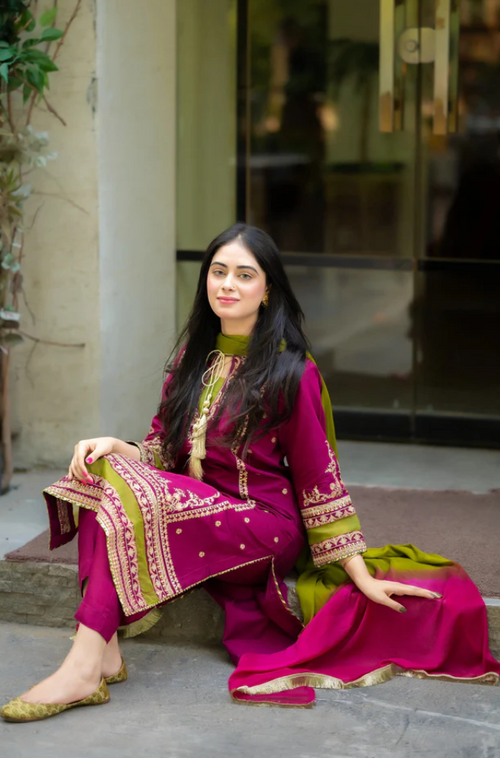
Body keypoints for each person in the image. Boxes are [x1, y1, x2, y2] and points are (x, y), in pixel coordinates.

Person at [2, 224, 498, 721]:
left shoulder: (291, 373)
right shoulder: (189, 361)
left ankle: (84, 665)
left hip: (264, 526)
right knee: (100, 470)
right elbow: (160, 451)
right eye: (219, 272)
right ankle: (101, 651)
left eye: (244, 274)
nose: (228, 285)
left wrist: (358, 572)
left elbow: (318, 479)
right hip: (192, 509)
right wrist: (113, 446)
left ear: (267, 291)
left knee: (134, 493)